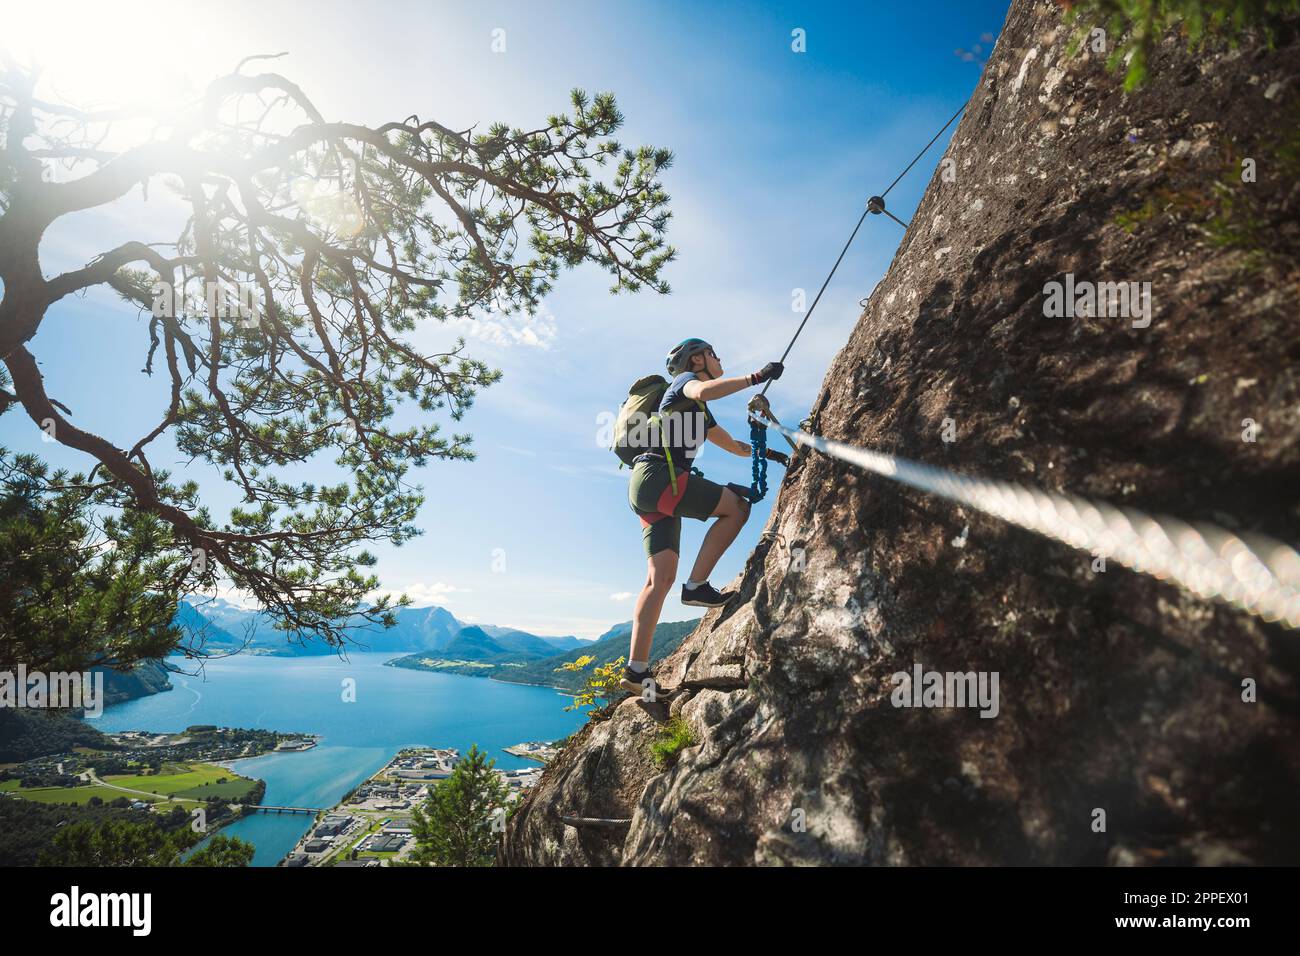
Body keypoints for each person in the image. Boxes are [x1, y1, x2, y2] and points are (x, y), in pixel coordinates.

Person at [622, 337, 789, 695]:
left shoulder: (698, 410)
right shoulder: (685, 383)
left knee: (659, 579)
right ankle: (697, 586)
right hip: (661, 476)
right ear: (696, 360)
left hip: (646, 486)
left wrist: (768, 454)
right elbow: (704, 390)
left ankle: (636, 672)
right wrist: (757, 377)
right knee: (737, 507)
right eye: (713, 353)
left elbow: (731, 445)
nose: (719, 357)